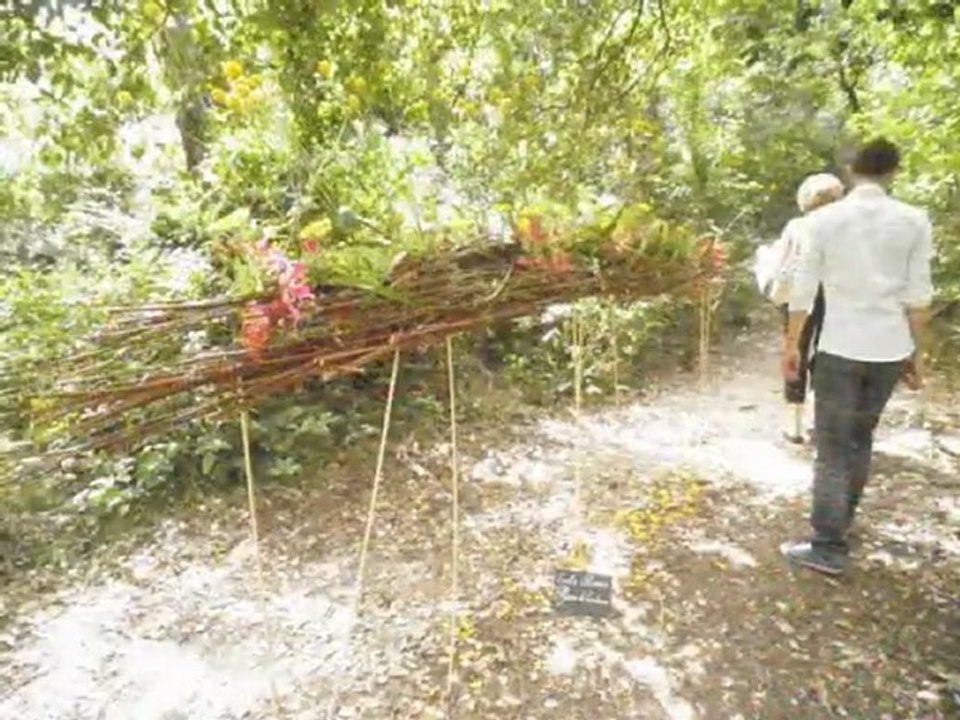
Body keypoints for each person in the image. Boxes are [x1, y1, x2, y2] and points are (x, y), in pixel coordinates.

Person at [780, 137, 933, 576]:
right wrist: (916, 356)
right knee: (861, 437)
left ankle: (828, 545)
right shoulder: (914, 221)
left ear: (851, 171)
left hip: (839, 346)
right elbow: (917, 297)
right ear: (893, 173)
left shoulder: (824, 221)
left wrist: (791, 344)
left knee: (831, 447)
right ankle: (842, 523)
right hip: (888, 349)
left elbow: (804, 290)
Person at [770, 173, 845, 443]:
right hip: (836, 297)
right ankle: (819, 418)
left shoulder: (797, 225)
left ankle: (795, 421)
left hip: (798, 296)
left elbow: (784, 264)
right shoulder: (847, 229)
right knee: (827, 355)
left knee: (795, 351)